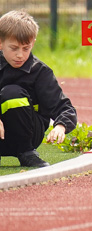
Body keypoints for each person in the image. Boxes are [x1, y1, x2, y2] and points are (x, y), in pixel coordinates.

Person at [0, 10, 77, 168]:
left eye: (25, 48)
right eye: (14, 48)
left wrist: (61, 127)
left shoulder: (41, 72)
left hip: (29, 134)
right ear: (0, 43)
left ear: (33, 43)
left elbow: (65, 107)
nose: (20, 55)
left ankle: (26, 153)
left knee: (12, 93)